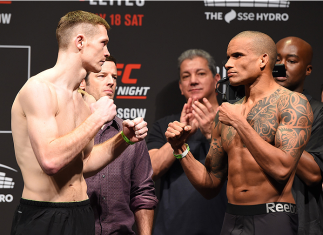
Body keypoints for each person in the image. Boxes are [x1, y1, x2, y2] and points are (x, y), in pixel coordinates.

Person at [10, 10, 148, 235]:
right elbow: (51, 161)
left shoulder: (85, 100)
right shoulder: (39, 90)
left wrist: (124, 139)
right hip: (43, 216)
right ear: (80, 42)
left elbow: (85, 163)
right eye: (103, 43)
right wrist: (97, 119)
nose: (107, 52)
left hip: (82, 214)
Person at [164, 31, 313, 235]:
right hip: (232, 219)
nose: (227, 64)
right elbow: (210, 183)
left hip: (272, 217)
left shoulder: (292, 103)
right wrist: (180, 148)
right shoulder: (228, 112)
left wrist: (240, 123)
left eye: (237, 55)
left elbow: (282, 169)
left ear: (263, 60)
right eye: (228, 57)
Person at [147, 49, 227, 235]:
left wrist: (212, 133)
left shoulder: (233, 120)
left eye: (200, 73)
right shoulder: (165, 126)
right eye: (186, 76)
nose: (193, 80)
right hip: (172, 229)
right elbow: (149, 170)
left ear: (216, 80)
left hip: (224, 227)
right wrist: (180, 138)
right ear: (181, 87)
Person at [79, 55, 158, 235]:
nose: (111, 82)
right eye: (102, 76)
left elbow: (143, 193)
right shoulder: (69, 131)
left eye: (114, 77)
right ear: (83, 82)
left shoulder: (131, 134)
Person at [275, 36, 323, 235]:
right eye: (277, 60)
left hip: (299, 221)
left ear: (308, 69)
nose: (281, 66)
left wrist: (273, 127)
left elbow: (313, 174)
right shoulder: (250, 108)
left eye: (291, 61)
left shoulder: (317, 112)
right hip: (255, 219)